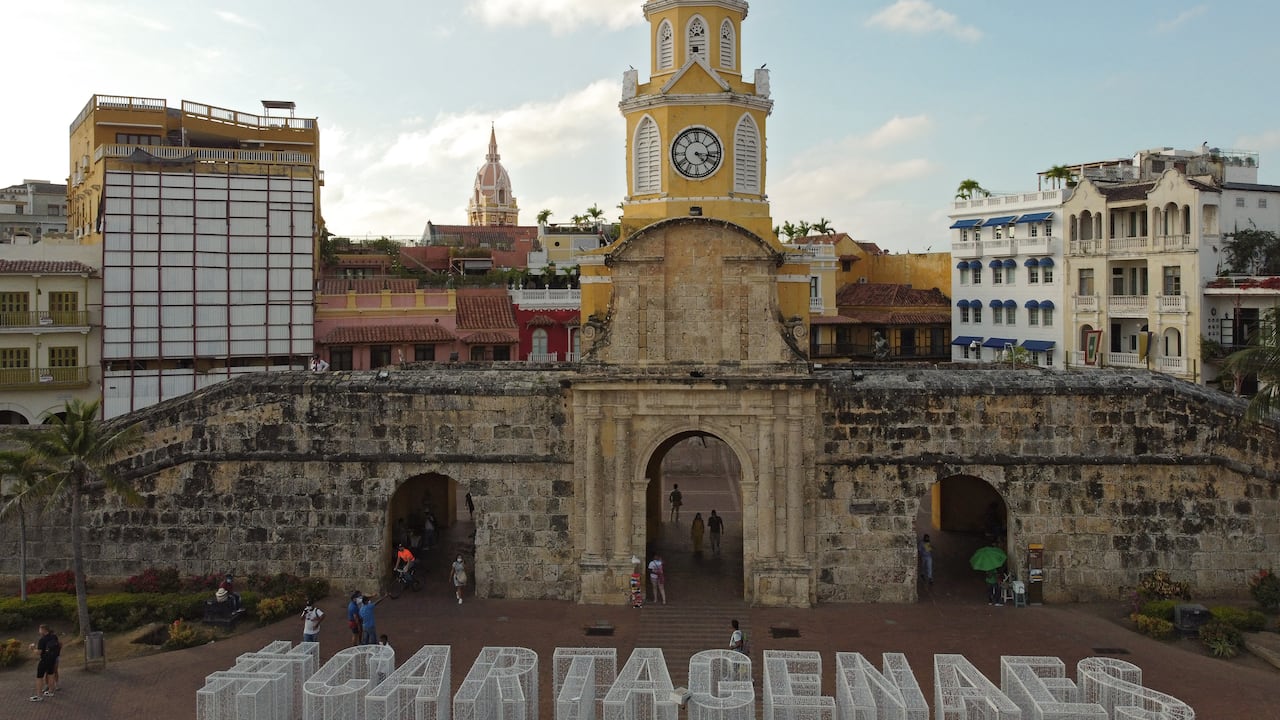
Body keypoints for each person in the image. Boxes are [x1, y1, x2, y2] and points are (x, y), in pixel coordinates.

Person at [30, 624, 59, 701]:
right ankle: (50, 691)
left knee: (39, 677)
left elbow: (39, 652)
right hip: (52, 659)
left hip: (44, 660)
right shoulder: (54, 636)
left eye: (40, 630)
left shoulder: (42, 640)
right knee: (51, 674)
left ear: (44, 630)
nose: (39, 631)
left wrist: (32, 649)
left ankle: (39, 696)